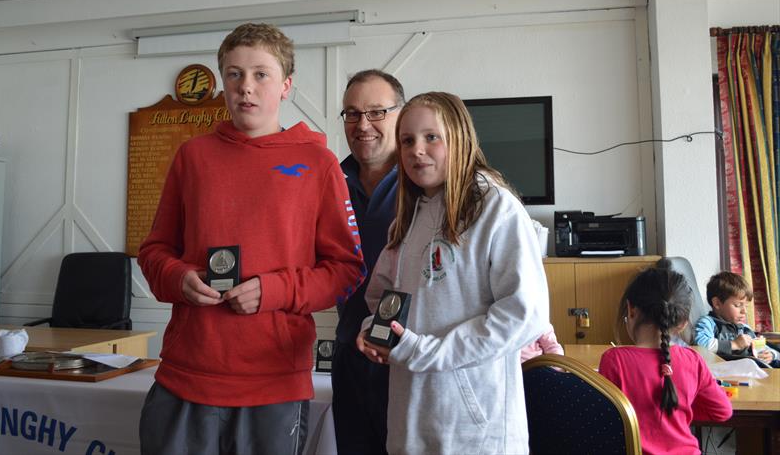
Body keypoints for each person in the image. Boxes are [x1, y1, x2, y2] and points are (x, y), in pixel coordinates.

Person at [137, 23, 365, 455]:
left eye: (261, 74)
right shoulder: (193, 156)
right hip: (187, 375)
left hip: (274, 383)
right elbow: (154, 252)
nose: (246, 87)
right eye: (234, 74)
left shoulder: (318, 163)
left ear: (286, 86)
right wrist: (178, 278)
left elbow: (347, 270)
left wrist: (272, 291)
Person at [357, 91, 549, 455]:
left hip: (475, 428)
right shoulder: (409, 217)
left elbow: (525, 314)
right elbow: (381, 297)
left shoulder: (497, 208)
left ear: (458, 138)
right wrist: (377, 333)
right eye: (407, 140)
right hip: (410, 418)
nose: (417, 150)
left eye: (431, 137)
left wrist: (427, 351)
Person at [333, 69, 404, 454]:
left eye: (377, 112)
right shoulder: (329, 181)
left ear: (401, 114)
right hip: (350, 356)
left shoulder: (426, 180)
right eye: (352, 113)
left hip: (411, 359)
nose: (363, 125)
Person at [599, 268, 732, 455]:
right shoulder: (693, 360)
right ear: (683, 322)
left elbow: (602, 420)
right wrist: (677, 408)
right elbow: (722, 411)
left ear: (631, 310)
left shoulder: (614, 360)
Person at [693, 271, 779, 366]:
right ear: (717, 303)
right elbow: (700, 345)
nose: (744, 311)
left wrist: (771, 354)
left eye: (746, 306)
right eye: (738, 305)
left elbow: (763, 348)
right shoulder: (708, 323)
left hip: (756, 369)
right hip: (729, 372)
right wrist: (734, 344)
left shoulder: (744, 328)